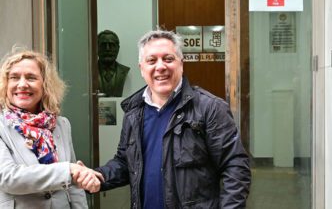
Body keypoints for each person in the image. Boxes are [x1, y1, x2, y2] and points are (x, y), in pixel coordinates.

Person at [75, 29, 251, 208]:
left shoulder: (210, 108)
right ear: (141, 68)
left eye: (168, 59)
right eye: (151, 60)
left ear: (181, 64)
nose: (160, 67)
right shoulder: (134, 113)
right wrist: (97, 176)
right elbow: (125, 163)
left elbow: (235, 167)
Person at [0, 49, 100, 208]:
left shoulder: (61, 124)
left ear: (45, 85)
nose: (22, 84)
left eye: (31, 78)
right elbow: (7, 178)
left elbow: (74, 187)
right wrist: (67, 171)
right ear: (5, 84)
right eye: (14, 77)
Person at [98, 30, 130, 97]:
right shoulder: (89, 72)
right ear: (96, 48)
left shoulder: (124, 71)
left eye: (111, 45)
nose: (107, 49)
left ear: (118, 49)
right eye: (103, 45)